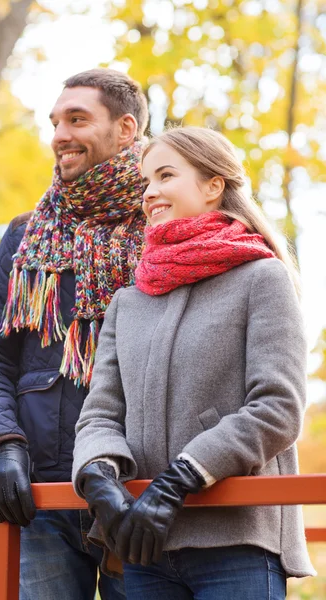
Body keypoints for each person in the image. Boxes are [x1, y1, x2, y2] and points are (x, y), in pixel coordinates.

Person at [72, 126, 315, 600]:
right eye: (146, 181)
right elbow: (100, 413)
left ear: (212, 186)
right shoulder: (129, 300)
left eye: (165, 175)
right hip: (144, 546)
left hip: (236, 541)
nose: (150, 192)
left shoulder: (262, 278)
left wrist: (182, 477)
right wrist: (98, 475)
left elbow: (278, 407)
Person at [0, 68, 149, 600]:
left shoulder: (167, 223)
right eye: (55, 121)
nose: (59, 134)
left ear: (126, 129)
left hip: (138, 491)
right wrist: (1, 447)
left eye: (77, 119)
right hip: (40, 497)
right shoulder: (25, 235)